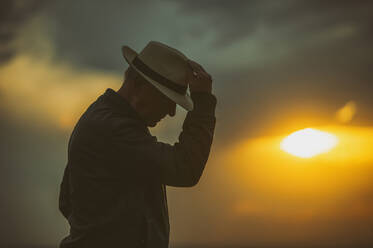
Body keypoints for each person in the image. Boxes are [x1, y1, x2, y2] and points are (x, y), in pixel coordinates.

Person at [58, 41, 217, 248]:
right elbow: (184, 167)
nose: (171, 112)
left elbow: (66, 202)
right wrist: (203, 102)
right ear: (139, 86)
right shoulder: (113, 128)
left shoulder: (104, 119)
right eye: (168, 99)